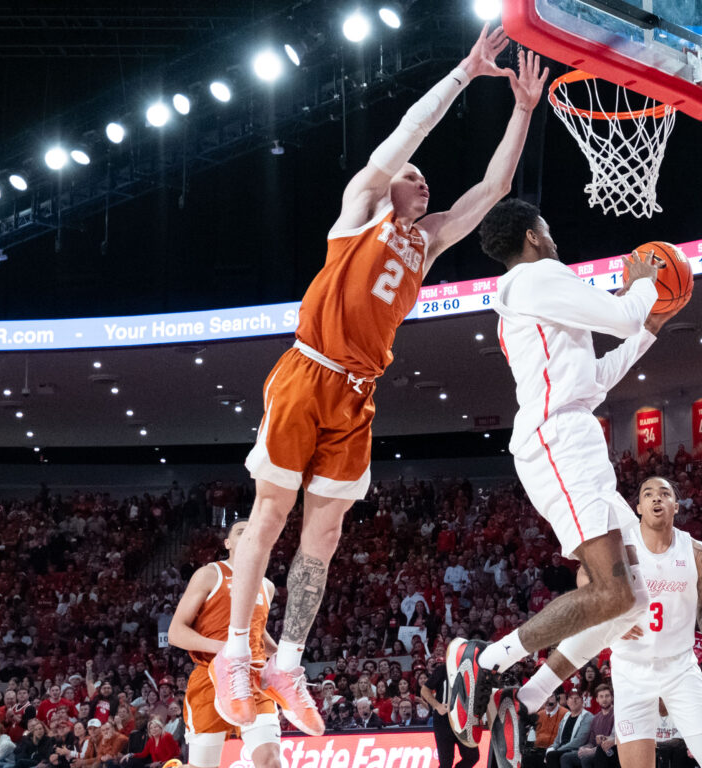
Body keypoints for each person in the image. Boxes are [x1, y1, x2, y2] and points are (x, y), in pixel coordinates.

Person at [211, 27, 549, 735]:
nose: (423, 181)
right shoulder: (360, 207)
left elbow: (494, 188)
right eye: (415, 173)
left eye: (428, 179)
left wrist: (520, 108)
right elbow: (407, 129)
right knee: (270, 516)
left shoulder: (427, 242)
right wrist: (464, 72)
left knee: (325, 535)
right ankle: (237, 654)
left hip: (359, 393)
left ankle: (287, 661)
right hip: (309, 372)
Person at [448, 200, 682, 746]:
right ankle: (485, 661)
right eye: (549, 229)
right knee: (609, 591)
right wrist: (644, 283)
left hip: (572, 434)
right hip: (559, 442)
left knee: (634, 597)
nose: (555, 240)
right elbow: (622, 312)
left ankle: (525, 699)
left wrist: (647, 331)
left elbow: (593, 380)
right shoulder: (535, 278)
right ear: (533, 236)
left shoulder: (531, 296)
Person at [513, 477, 702, 768]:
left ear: (676, 506)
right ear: (639, 507)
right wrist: (613, 613)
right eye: (648, 494)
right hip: (631, 672)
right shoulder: (622, 546)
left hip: (680, 668)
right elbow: (584, 578)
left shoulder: (695, 551)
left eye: (664, 493)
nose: (656, 498)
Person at [166, 519, 281, 768]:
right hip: (210, 678)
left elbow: (257, 632)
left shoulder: (267, 586)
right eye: (241, 531)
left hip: (253, 680)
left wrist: (283, 655)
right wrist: (226, 649)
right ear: (228, 543)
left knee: (271, 762)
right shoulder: (210, 574)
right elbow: (175, 632)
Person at [422, 659, 479, 768]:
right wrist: (437, 706)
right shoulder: (443, 669)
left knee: (473, 756)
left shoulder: (472, 670)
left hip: (463, 720)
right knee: (446, 762)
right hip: (443, 721)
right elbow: (424, 690)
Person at [558, 685, 613, 768]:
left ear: (612, 698)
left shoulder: (616, 715)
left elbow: (613, 740)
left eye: (607, 696)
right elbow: (591, 741)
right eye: (601, 696)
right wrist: (584, 748)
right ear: (597, 699)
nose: (604, 699)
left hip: (610, 751)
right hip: (595, 750)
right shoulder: (596, 718)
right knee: (566, 757)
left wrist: (591, 751)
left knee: (586, 758)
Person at [544, 691, 593, 768]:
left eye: (577, 698)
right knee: (545, 753)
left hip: (576, 750)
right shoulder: (566, 716)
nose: (574, 701)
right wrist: (551, 748)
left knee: (552, 755)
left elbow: (579, 741)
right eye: (571, 698)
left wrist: (558, 750)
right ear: (567, 702)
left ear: (582, 701)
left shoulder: (587, 717)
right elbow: (558, 739)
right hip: (562, 749)